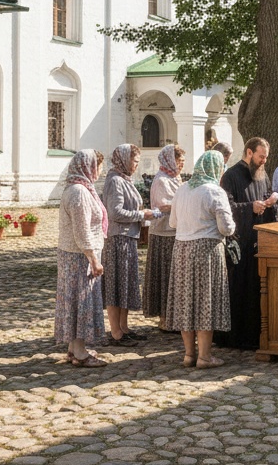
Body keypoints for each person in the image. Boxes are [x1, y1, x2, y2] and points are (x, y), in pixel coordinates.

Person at [166, 149, 235, 368]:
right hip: (206, 251)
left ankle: (189, 355)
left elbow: (173, 223)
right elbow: (226, 228)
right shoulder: (215, 191)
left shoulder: (182, 189)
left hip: (182, 250)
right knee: (206, 301)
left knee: (186, 301)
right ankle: (205, 357)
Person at [216, 136, 278, 349]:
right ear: (249, 153)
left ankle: (257, 334)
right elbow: (226, 208)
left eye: (266, 158)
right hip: (240, 242)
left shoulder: (262, 174)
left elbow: (267, 195)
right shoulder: (231, 176)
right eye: (261, 157)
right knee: (240, 289)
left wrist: (271, 202)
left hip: (260, 241)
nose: (263, 161)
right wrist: (250, 207)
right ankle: (236, 337)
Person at [55, 149, 108, 367]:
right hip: (79, 257)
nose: (100, 171)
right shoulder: (79, 192)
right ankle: (80, 352)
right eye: (99, 166)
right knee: (80, 302)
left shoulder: (79, 188)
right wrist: (93, 259)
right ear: (90, 166)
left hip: (74, 255)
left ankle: (73, 348)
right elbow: (82, 230)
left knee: (75, 302)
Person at [101, 143, 154, 345]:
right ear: (123, 159)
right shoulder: (115, 181)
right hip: (117, 238)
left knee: (125, 285)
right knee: (116, 285)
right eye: (133, 161)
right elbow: (115, 212)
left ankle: (124, 327)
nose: (135, 165)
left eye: (138, 162)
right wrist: (141, 214)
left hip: (128, 237)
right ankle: (115, 332)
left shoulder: (125, 179)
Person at [142, 143, 185, 331]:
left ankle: (173, 316)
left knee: (173, 276)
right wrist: (183, 203)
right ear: (170, 160)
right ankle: (165, 317)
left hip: (175, 232)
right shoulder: (161, 180)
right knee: (164, 275)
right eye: (179, 161)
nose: (182, 165)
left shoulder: (175, 178)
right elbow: (163, 206)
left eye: (183, 161)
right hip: (163, 233)